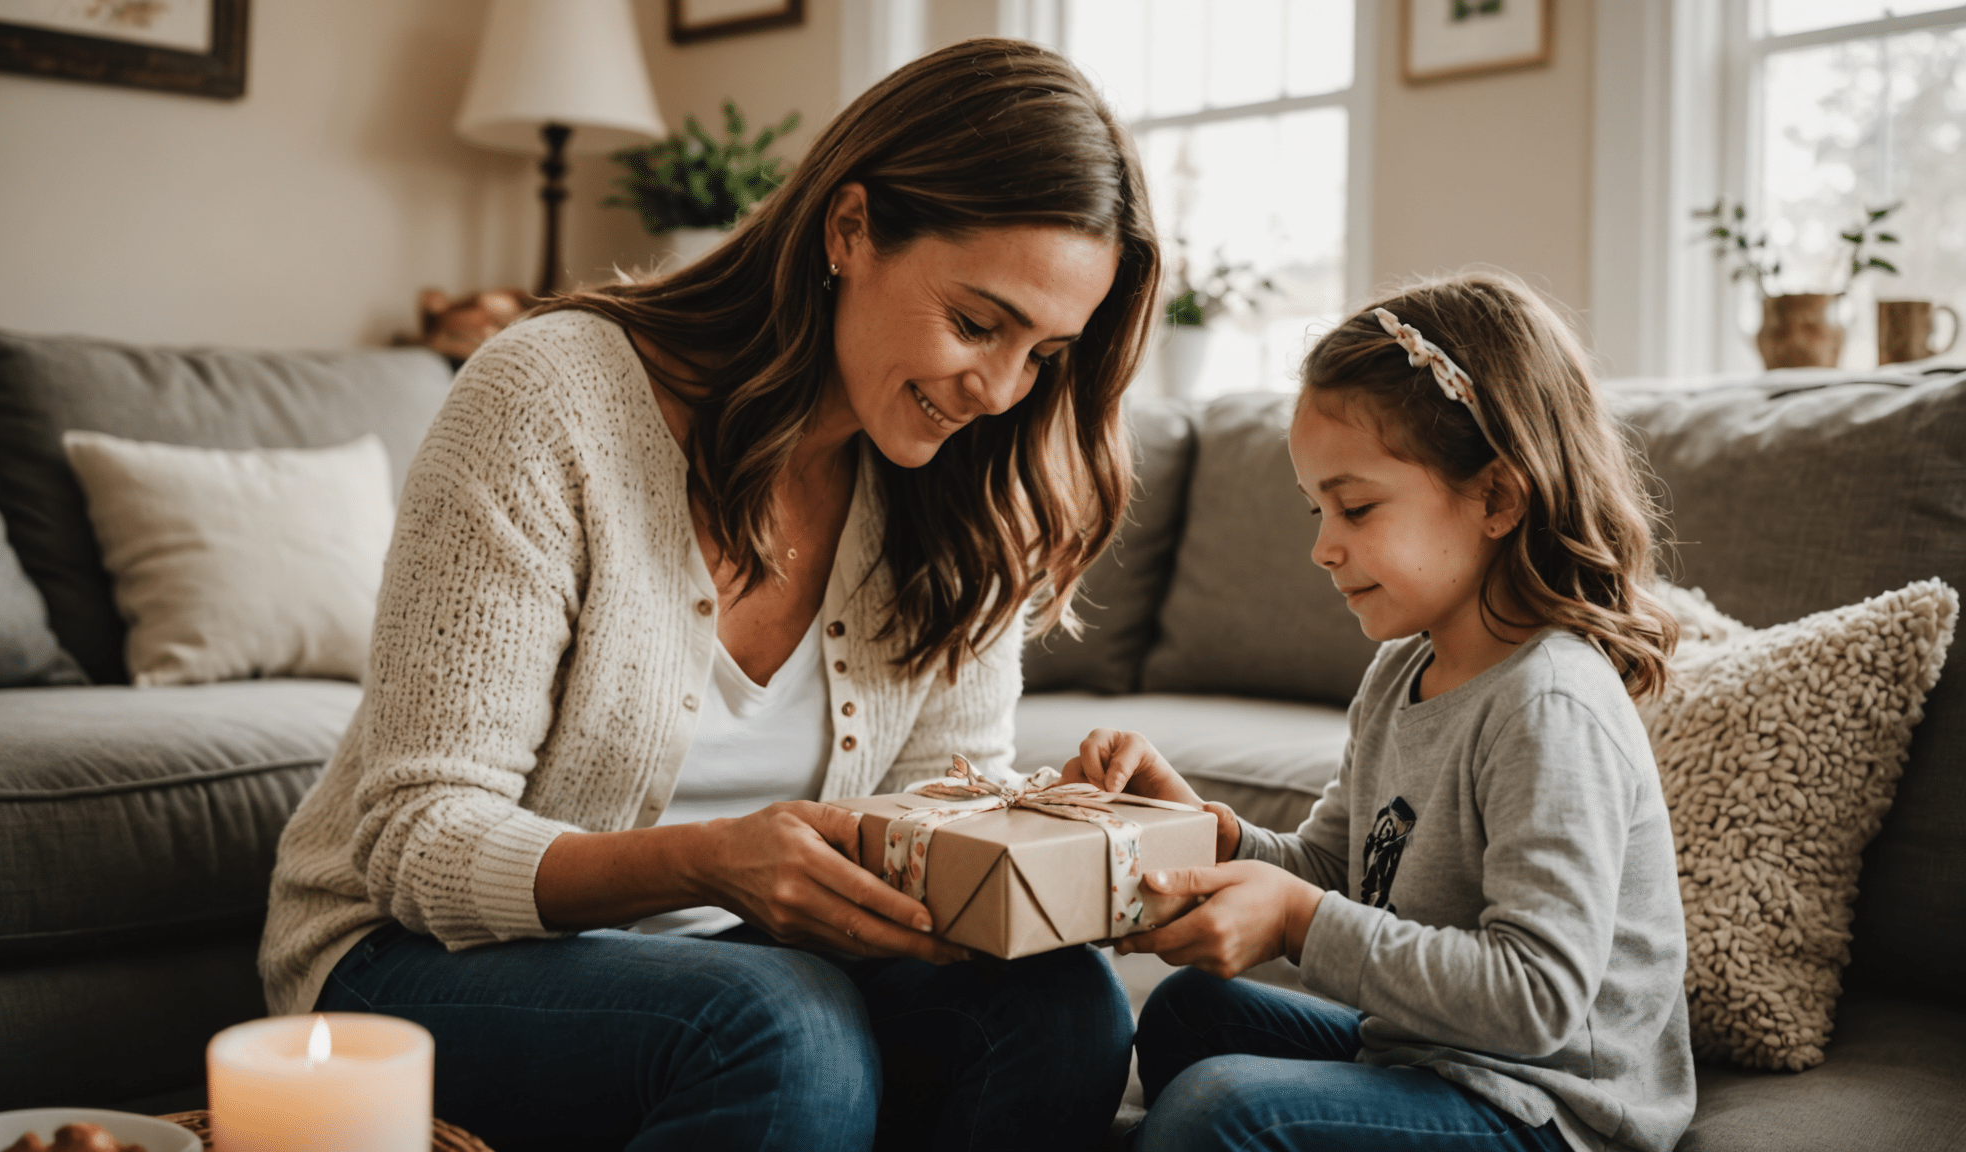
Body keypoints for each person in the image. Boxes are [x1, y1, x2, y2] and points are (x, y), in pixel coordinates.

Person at [258, 38, 1161, 1152]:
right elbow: (416, 839)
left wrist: (1046, 837)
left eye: (1047, 354)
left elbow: (928, 810)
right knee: (781, 1024)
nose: (1001, 390)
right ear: (850, 230)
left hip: (751, 977)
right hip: (416, 957)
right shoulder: (550, 399)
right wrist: (711, 859)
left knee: (1058, 1008)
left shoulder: (966, 492)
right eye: (977, 324)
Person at [1062, 273, 1695, 1152]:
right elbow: (1340, 864)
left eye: (1355, 507)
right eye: (1317, 509)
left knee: (1218, 1108)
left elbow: (1538, 998)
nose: (1323, 547)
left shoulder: (1550, 705)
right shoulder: (1402, 670)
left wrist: (1295, 921)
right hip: (1432, 1056)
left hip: (1552, 1108)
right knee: (1189, 1016)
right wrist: (1200, 834)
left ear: (1497, 498)